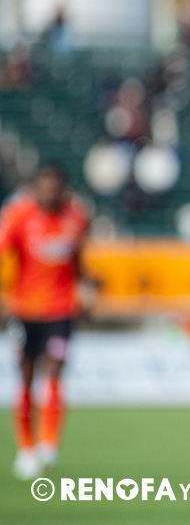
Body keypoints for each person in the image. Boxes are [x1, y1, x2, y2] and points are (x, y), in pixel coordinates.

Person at [0, 165, 91, 480]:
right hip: (25, 310)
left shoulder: (75, 218)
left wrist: (86, 287)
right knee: (25, 376)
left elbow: (77, 260)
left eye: (55, 186)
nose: (50, 192)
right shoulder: (19, 217)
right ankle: (25, 448)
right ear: (35, 188)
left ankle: (48, 442)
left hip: (61, 310)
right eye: (45, 186)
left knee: (54, 369)